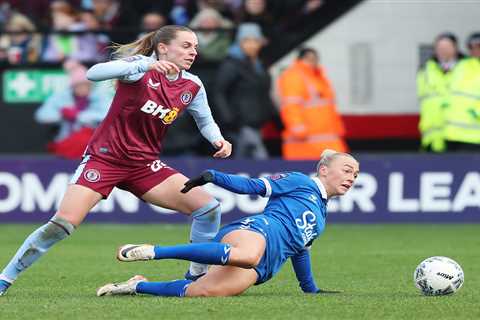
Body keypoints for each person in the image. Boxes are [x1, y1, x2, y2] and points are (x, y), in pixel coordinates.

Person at [0, 25, 232, 296]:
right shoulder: (138, 69)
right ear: (163, 47)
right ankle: (5, 279)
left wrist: (218, 139)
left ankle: (195, 277)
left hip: (144, 166)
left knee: (208, 208)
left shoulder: (192, 84)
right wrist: (145, 64)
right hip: (104, 160)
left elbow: (204, 119)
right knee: (62, 223)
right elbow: (93, 73)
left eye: (195, 47)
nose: (193, 51)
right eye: (186, 45)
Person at [96, 149, 359, 297]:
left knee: (202, 292)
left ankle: (136, 286)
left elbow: (300, 250)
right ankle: (154, 252)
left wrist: (310, 290)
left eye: (356, 174)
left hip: (265, 267)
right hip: (256, 232)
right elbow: (254, 185)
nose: (352, 177)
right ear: (323, 169)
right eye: (347, 170)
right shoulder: (301, 181)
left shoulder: (321, 215)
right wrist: (214, 176)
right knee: (248, 255)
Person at [213, 22, 277, 159]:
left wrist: (276, 118)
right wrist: (229, 119)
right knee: (260, 159)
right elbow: (218, 92)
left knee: (243, 162)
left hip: (257, 124)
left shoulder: (259, 65)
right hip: (241, 124)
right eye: (247, 40)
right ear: (239, 42)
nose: (252, 45)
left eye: (256, 40)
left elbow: (264, 93)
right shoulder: (231, 64)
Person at [276, 47, 348, 160]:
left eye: (314, 59)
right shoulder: (294, 77)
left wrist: (338, 129)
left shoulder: (318, 77)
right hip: (306, 142)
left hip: (326, 139)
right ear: (300, 59)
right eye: (308, 59)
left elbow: (328, 107)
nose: (312, 62)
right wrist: (298, 129)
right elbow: (291, 106)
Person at [35, 59, 112, 159]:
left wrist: (78, 116)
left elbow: (106, 115)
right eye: (79, 85)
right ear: (73, 86)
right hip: (66, 139)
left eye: (86, 85)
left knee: (85, 139)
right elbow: (41, 115)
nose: (83, 88)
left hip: (93, 140)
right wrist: (61, 114)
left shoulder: (99, 97)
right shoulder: (61, 97)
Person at [417, 32, 464, 153]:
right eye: (439, 47)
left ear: (455, 48)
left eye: (447, 47)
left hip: (459, 138)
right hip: (432, 138)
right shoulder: (425, 71)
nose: (442, 51)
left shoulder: (467, 69)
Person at [443, 32, 480, 151]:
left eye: (478, 46)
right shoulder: (461, 66)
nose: (475, 50)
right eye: (471, 47)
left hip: (475, 135)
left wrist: (476, 112)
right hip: (452, 134)